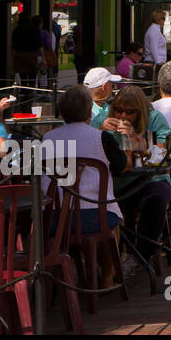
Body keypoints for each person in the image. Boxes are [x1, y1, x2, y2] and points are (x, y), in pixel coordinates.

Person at [44, 85, 127, 282]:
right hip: (93, 216)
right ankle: (107, 274)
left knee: (105, 215)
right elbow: (122, 165)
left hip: (54, 218)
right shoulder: (101, 138)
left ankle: (77, 275)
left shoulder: (46, 138)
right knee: (110, 218)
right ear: (90, 111)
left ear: (62, 113)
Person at [92, 84, 171, 278]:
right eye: (119, 110)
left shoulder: (154, 119)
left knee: (156, 200)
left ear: (141, 112)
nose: (123, 116)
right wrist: (100, 130)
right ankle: (106, 264)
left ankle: (140, 257)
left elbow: (158, 157)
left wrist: (136, 139)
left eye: (130, 112)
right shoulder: (103, 119)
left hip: (150, 179)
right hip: (116, 182)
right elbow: (86, 143)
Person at [11, 10, 42, 81]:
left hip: (20, 55)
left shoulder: (17, 30)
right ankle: (31, 88)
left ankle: (24, 89)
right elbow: (39, 44)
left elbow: (14, 47)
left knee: (23, 76)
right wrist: (43, 58)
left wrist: (13, 60)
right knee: (32, 75)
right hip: (32, 54)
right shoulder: (34, 29)